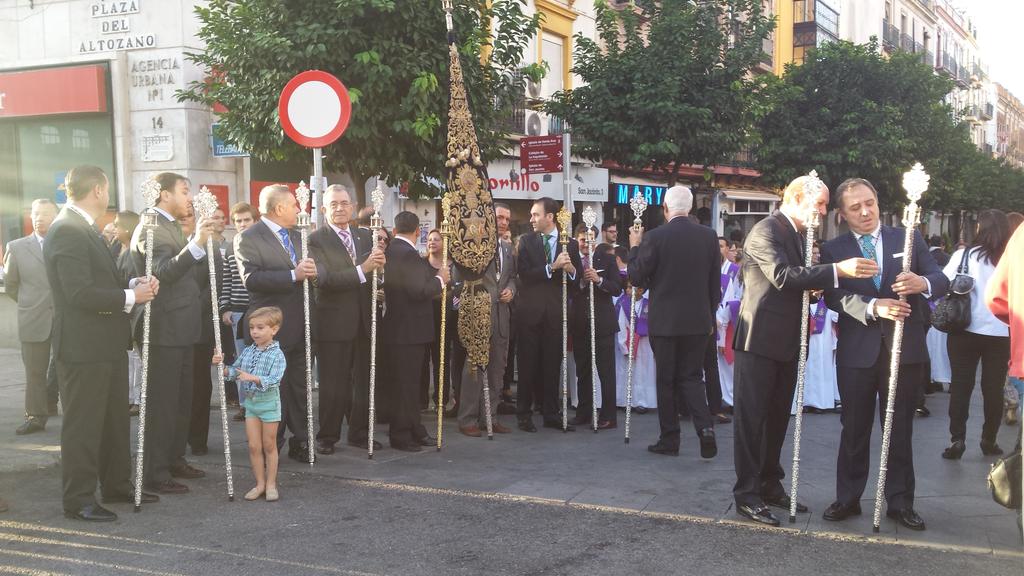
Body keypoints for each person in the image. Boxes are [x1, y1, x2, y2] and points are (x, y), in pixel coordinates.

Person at [732, 175, 878, 527]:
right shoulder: (766, 229)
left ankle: (769, 481)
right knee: (752, 421)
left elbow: (797, 279)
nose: (825, 211)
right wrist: (836, 270)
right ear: (797, 197)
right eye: (822, 204)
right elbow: (783, 275)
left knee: (778, 417)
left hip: (786, 341)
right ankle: (747, 494)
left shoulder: (796, 235)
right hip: (759, 340)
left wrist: (813, 285)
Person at [819, 177, 947, 532]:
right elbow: (833, 297)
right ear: (842, 214)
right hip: (857, 352)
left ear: (878, 202)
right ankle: (848, 497)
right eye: (855, 207)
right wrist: (873, 306)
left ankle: (901, 501)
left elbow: (940, 277)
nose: (865, 212)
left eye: (869, 203)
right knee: (854, 428)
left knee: (900, 428)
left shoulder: (906, 238)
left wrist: (923, 284)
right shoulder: (834, 249)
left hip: (904, 351)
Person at [44, 165, 159, 521]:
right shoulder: (66, 229)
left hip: (104, 344)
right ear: (97, 190)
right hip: (82, 348)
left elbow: (97, 280)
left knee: (112, 420)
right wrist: (129, 295)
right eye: (107, 190)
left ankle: (116, 485)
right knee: (84, 424)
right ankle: (78, 500)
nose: (108, 197)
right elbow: (78, 292)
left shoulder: (81, 228)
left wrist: (132, 285)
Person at [130, 172, 215, 495]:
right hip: (163, 328)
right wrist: (196, 245)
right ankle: (154, 470)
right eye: (183, 191)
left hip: (183, 328)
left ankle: (174, 458)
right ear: (164, 195)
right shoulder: (150, 226)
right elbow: (162, 273)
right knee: (163, 403)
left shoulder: (169, 225)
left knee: (182, 400)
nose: (189, 198)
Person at [628, 185, 720, 458]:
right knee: (692, 377)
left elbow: (636, 277)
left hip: (665, 322)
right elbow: (714, 284)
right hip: (698, 321)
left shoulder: (655, 237)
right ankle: (705, 428)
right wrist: (709, 315)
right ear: (689, 208)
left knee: (666, 380)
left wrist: (634, 247)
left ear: (665, 209)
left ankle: (670, 439)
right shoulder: (709, 236)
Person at [235, 184, 318, 463]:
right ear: (279, 208)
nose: (299, 209)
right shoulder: (249, 237)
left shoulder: (298, 236)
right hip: (270, 325)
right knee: (274, 388)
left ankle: (302, 440)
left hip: (301, 323)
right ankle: (272, 445)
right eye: (294, 204)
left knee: (299, 386)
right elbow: (252, 279)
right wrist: (292, 275)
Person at [308, 185, 385, 455]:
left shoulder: (365, 236)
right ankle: (327, 436)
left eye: (344, 203)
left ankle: (360, 432)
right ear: (324, 209)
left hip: (364, 320)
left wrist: (379, 272)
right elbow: (325, 280)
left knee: (363, 381)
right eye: (333, 204)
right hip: (333, 322)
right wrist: (363, 270)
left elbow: (375, 272)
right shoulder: (316, 239)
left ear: (352, 206)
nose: (339, 208)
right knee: (333, 382)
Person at [940, 209, 1011, 459]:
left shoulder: (964, 255)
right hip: (1002, 332)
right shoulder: (1011, 259)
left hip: (963, 330)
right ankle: (989, 439)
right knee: (993, 389)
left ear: (980, 229)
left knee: (961, 386)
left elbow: (943, 282)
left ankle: (957, 439)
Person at [382, 211, 448, 451]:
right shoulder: (407, 254)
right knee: (405, 386)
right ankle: (401, 435)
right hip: (407, 331)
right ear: (418, 231)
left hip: (403, 330)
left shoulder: (393, 251)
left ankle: (414, 428)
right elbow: (418, 290)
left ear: (395, 229)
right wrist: (440, 280)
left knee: (408, 384)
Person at [515, 197, 581, 432]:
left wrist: (571, 269)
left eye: (535, 214)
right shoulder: (526, 241)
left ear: (549, 217)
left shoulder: (569, 244)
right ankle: (524, 413)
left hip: (556, 313)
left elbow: (577, 280)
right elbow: (523, 275)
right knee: (527, 364)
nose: (532, 219)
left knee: (553, 363)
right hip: (530, 312)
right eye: (532, 215)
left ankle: (551, 412)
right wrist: (551, 268)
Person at [214, 306, 286, 502]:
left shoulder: (277, 354)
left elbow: (274, 379)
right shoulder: (248, 351)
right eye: (252, 327)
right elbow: (234, 371)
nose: (255, 331)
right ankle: (260, 483)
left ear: (274, 329)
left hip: (269, 404)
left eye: (260, 327)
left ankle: (271, 484)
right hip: (251, 404)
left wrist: (252, 378)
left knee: (269, 445)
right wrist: (221, 366)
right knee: (254, 447)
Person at [458, 202, 517, 436]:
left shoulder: (507, 248)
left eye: (507, 220)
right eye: (500, 218)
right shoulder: (475, 245)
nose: (503, 223)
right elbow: (460, 278)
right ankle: (467, 419)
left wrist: (512, 290)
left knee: (497, 370)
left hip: (502, 317)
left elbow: (512, 277)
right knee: (474, 369)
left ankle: (490, 418)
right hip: (479, 315)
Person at [4, 198, 58, 435]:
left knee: (69, 368)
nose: (39, 218)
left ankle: (66, 408)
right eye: (35, 213)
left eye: (45, 213)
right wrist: (31, 303)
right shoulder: (16, 247)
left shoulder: (65, 244)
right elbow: (11, 285)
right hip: (33, 317)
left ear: (55, 217)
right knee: (34, 371)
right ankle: (35, 416)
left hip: (65, 318)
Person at [570, 224, 622, 429]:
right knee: (582, 371)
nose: (586, 243)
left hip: (603, 324)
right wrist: (582, 282)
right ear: (577, 240)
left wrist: (599, 280)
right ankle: (584, 412)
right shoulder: (571, 261)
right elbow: (566, 290)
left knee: (605, 371)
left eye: (590, 239)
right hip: (580, 323)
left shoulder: (608, 260)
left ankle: (608, 416)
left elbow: (617, 288)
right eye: (583, 239)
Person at [186, 205, 226, 458]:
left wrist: (189, 307)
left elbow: (215, 285)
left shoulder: (211, 250)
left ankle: (197, 439)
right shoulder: (172, 247)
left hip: (199, 327)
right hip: (173, 328)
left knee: (200, 387)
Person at [221, 202, 257, 420]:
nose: (242, 224)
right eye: (238, 221)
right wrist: (225, 308)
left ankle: (261, 402)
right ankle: (245, 405)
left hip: (259, 310)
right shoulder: (230, 247)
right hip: (237, 310)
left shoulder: (261, 243)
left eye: (247, 220)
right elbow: (227, 280)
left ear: (255, 220)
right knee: (242, 359)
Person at [422, 229, 459, 415]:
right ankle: (420, 400)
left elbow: (458, 290)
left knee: (441, 359)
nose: (432, 242)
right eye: (429, 239)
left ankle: (441, 400)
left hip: (448, 317)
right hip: (425, 315)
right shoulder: (421, 263)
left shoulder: (453, 266)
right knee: (422, 360)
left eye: (436, 239)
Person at [112, 211, 142, 415]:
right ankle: (131, 397)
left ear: (128, 229)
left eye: (117, 226)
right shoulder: (121, 251)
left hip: (134, 314)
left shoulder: (132, 253)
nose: (114, 230)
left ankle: (138, 399)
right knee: (130, 358)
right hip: (125, 315)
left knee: (137, 359)